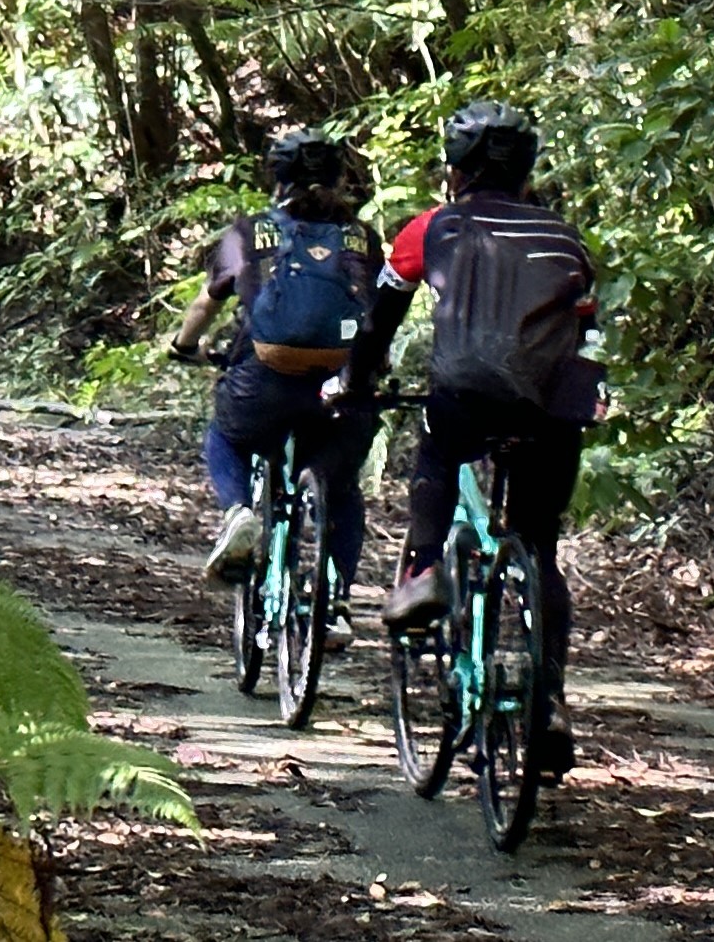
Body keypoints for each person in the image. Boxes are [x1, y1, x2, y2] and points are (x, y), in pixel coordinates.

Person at [370, 99, 599, 781]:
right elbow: (585, 331)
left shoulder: (432, 227)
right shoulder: (567, 240)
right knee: (539, 544)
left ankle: (420, 575)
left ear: (455, 171)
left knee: (438, 449)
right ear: (527, 172)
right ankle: (548, 699)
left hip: (466, 394)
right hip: (555, 407)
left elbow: (382, 313)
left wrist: (356, 379)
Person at [167, 127, 379, 633]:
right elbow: (379, 307)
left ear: (276, 178)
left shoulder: (249, 233)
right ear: (338, 178)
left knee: (226, 437)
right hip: (343, 387)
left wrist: (184, 345)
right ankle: (335, 602)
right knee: (342, 489)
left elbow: (207, 302)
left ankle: (239, 510)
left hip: (264, 379)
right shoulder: (362, 238)